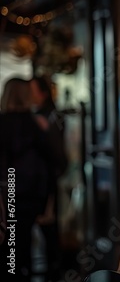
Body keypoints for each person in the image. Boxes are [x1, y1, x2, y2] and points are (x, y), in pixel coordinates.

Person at [0, 78, 52, 281]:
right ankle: (23, 273)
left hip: (7, 190)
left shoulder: (2, 123)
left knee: (9, 242)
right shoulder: (36, 124)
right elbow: (52, 159)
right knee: (23, 241)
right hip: (31, 192)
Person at [30, 75, 68, 281]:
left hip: (45, 184)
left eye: (33, 90)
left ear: (43, 93)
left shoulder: (48, 118)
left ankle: (55, 272)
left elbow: (58, 156)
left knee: (49, 229)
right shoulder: (40, 116)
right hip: (44, 182)